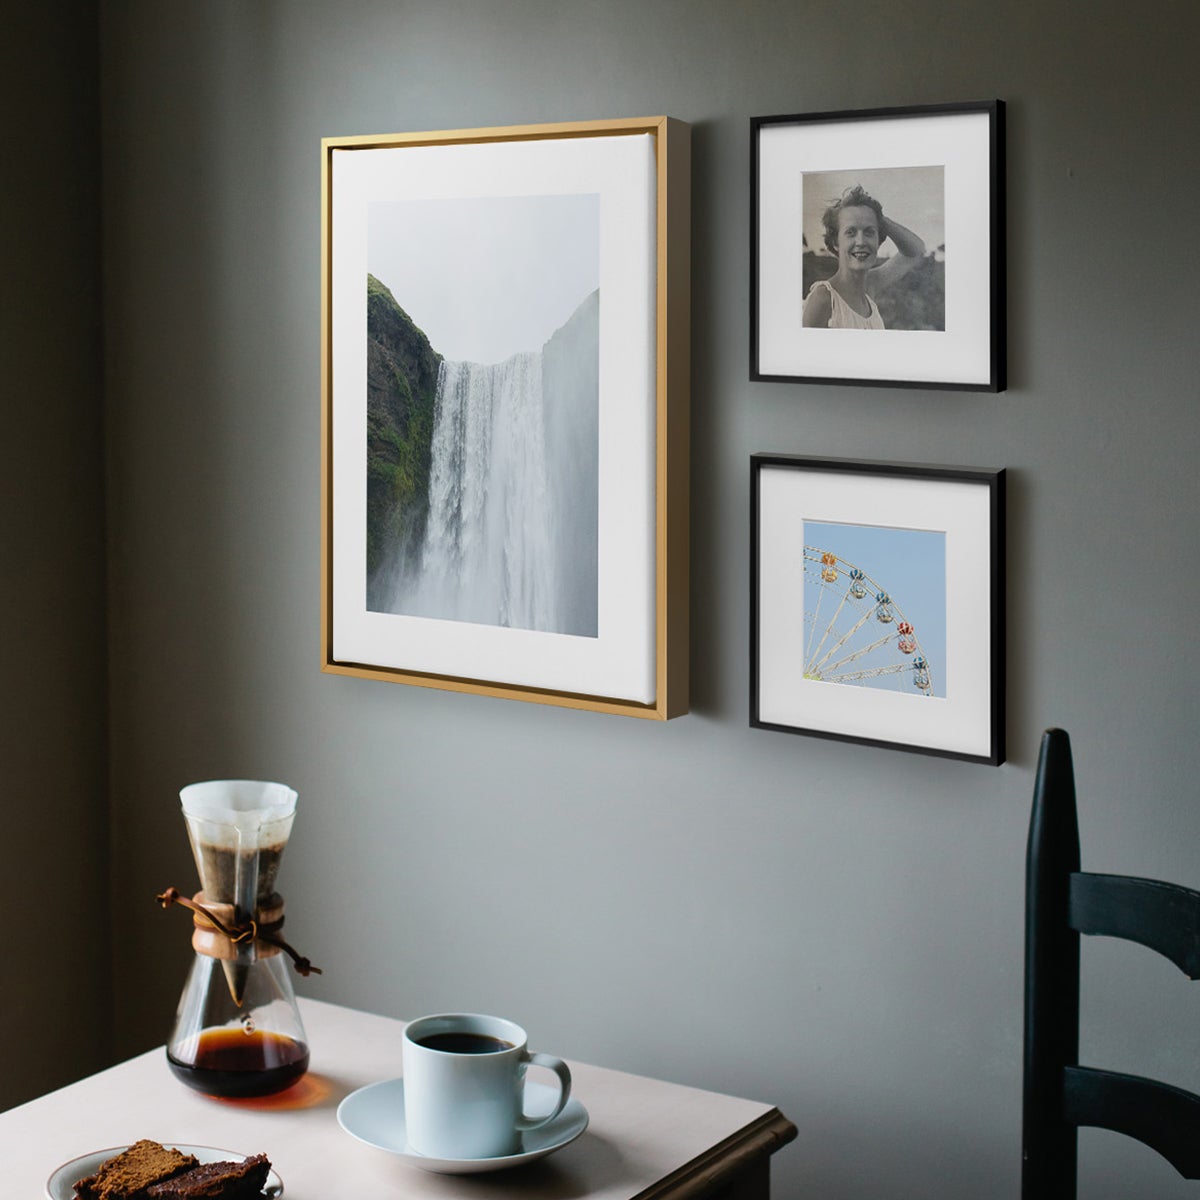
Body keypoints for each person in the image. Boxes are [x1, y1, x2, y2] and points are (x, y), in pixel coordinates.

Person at [802, 185, 926, 329]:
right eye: (851, 232)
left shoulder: (870, 285)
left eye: (869, 232)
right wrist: (871, 220)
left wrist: (879, 219)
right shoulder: (823, 298)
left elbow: (916, 251)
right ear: (836, 242)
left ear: (878, 240)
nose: (861, 242)